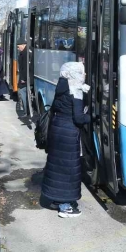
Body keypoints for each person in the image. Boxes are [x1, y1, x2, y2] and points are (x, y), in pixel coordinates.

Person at [41, 62, 90, 218]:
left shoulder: (61, 86)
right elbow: (79, 118)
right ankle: (65, 206)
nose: (85, 75)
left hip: (57, 131)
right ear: (74, 74)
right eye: (82, 72)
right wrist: (93, 116)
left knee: (57, 167)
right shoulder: (75, 91)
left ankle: (55, 199)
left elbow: (56, 108)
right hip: (69, 134)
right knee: (67, 171)